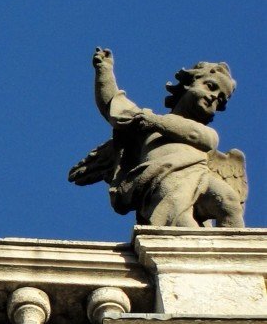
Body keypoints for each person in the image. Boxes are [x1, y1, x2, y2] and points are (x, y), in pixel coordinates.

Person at [88, 48, 242, 226]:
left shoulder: (205, 134)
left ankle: (235, 252)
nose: (213, 97)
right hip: (163, 180)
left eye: (220, 100)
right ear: (189, 83)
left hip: (200, 175)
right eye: (210, 86)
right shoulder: (145, 125)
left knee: (230, 202)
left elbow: (196, 135)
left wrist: (155, 122)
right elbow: (113, 105)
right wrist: (104, 70)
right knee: (184, 227)